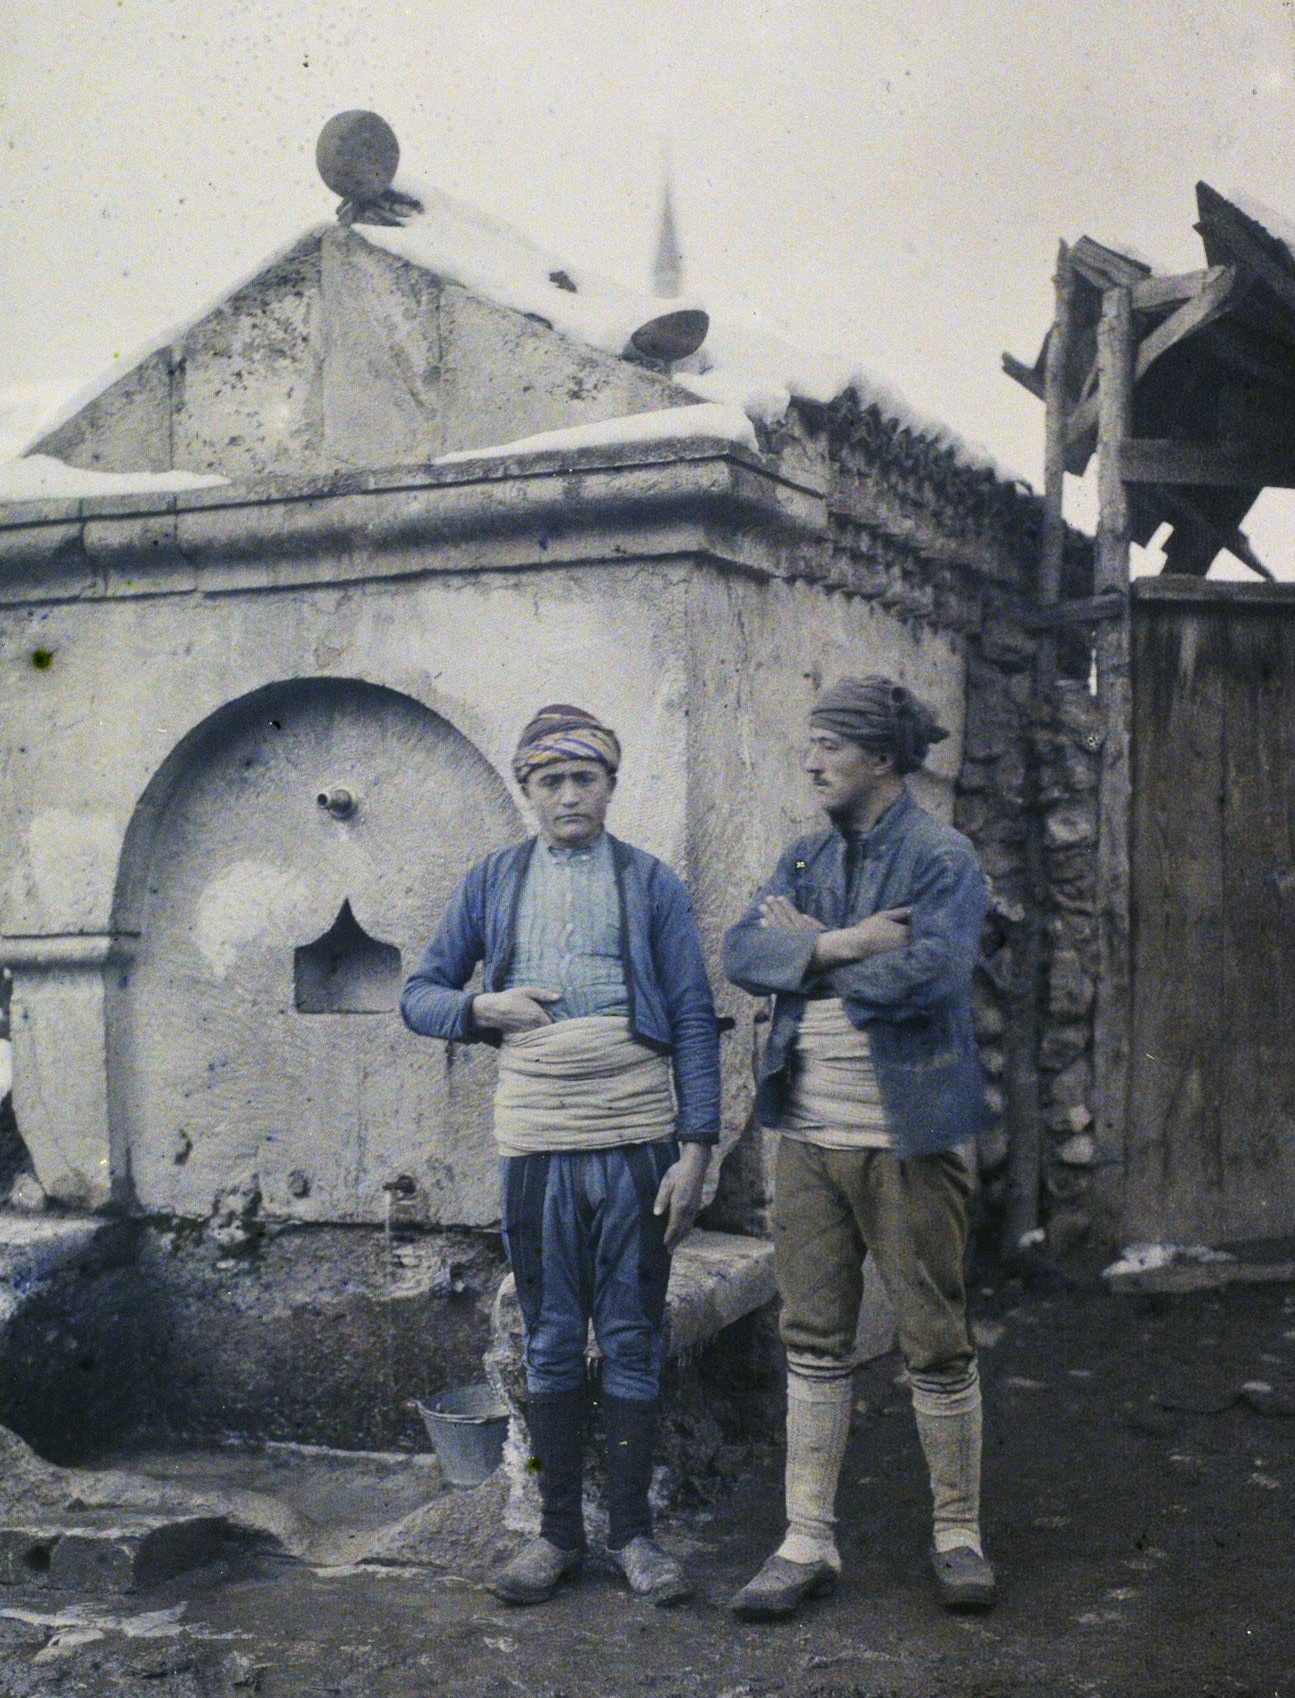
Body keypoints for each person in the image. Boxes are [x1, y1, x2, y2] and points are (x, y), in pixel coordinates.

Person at [400, 702, 720, 1607]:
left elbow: (693, 1017)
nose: (569, 795)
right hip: (537, 1135)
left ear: (611, 788)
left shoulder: (649, 884)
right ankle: (553, 1540)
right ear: (527, 791)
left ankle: (634, 1538)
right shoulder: (492, 883)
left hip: (633, 1135)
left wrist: (696, 1149)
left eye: (586, 778)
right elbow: (418, 994)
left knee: (629, 1332)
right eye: (551, 780)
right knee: (546, 1338)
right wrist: (479, 1010)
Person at [721, 674, 995, 1618]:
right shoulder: (803, 858)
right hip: (803, 1127)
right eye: (810, 745)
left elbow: (935, 973)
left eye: (828, 746)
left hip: (908, 1131)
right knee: (812, 1334)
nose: (810, 761)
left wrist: (808, 955)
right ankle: (806, 1543)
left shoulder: (942, 857)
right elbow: (741, 953)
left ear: (881, 759)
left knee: (932, 1336)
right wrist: (844, 944)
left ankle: (957, 1535)